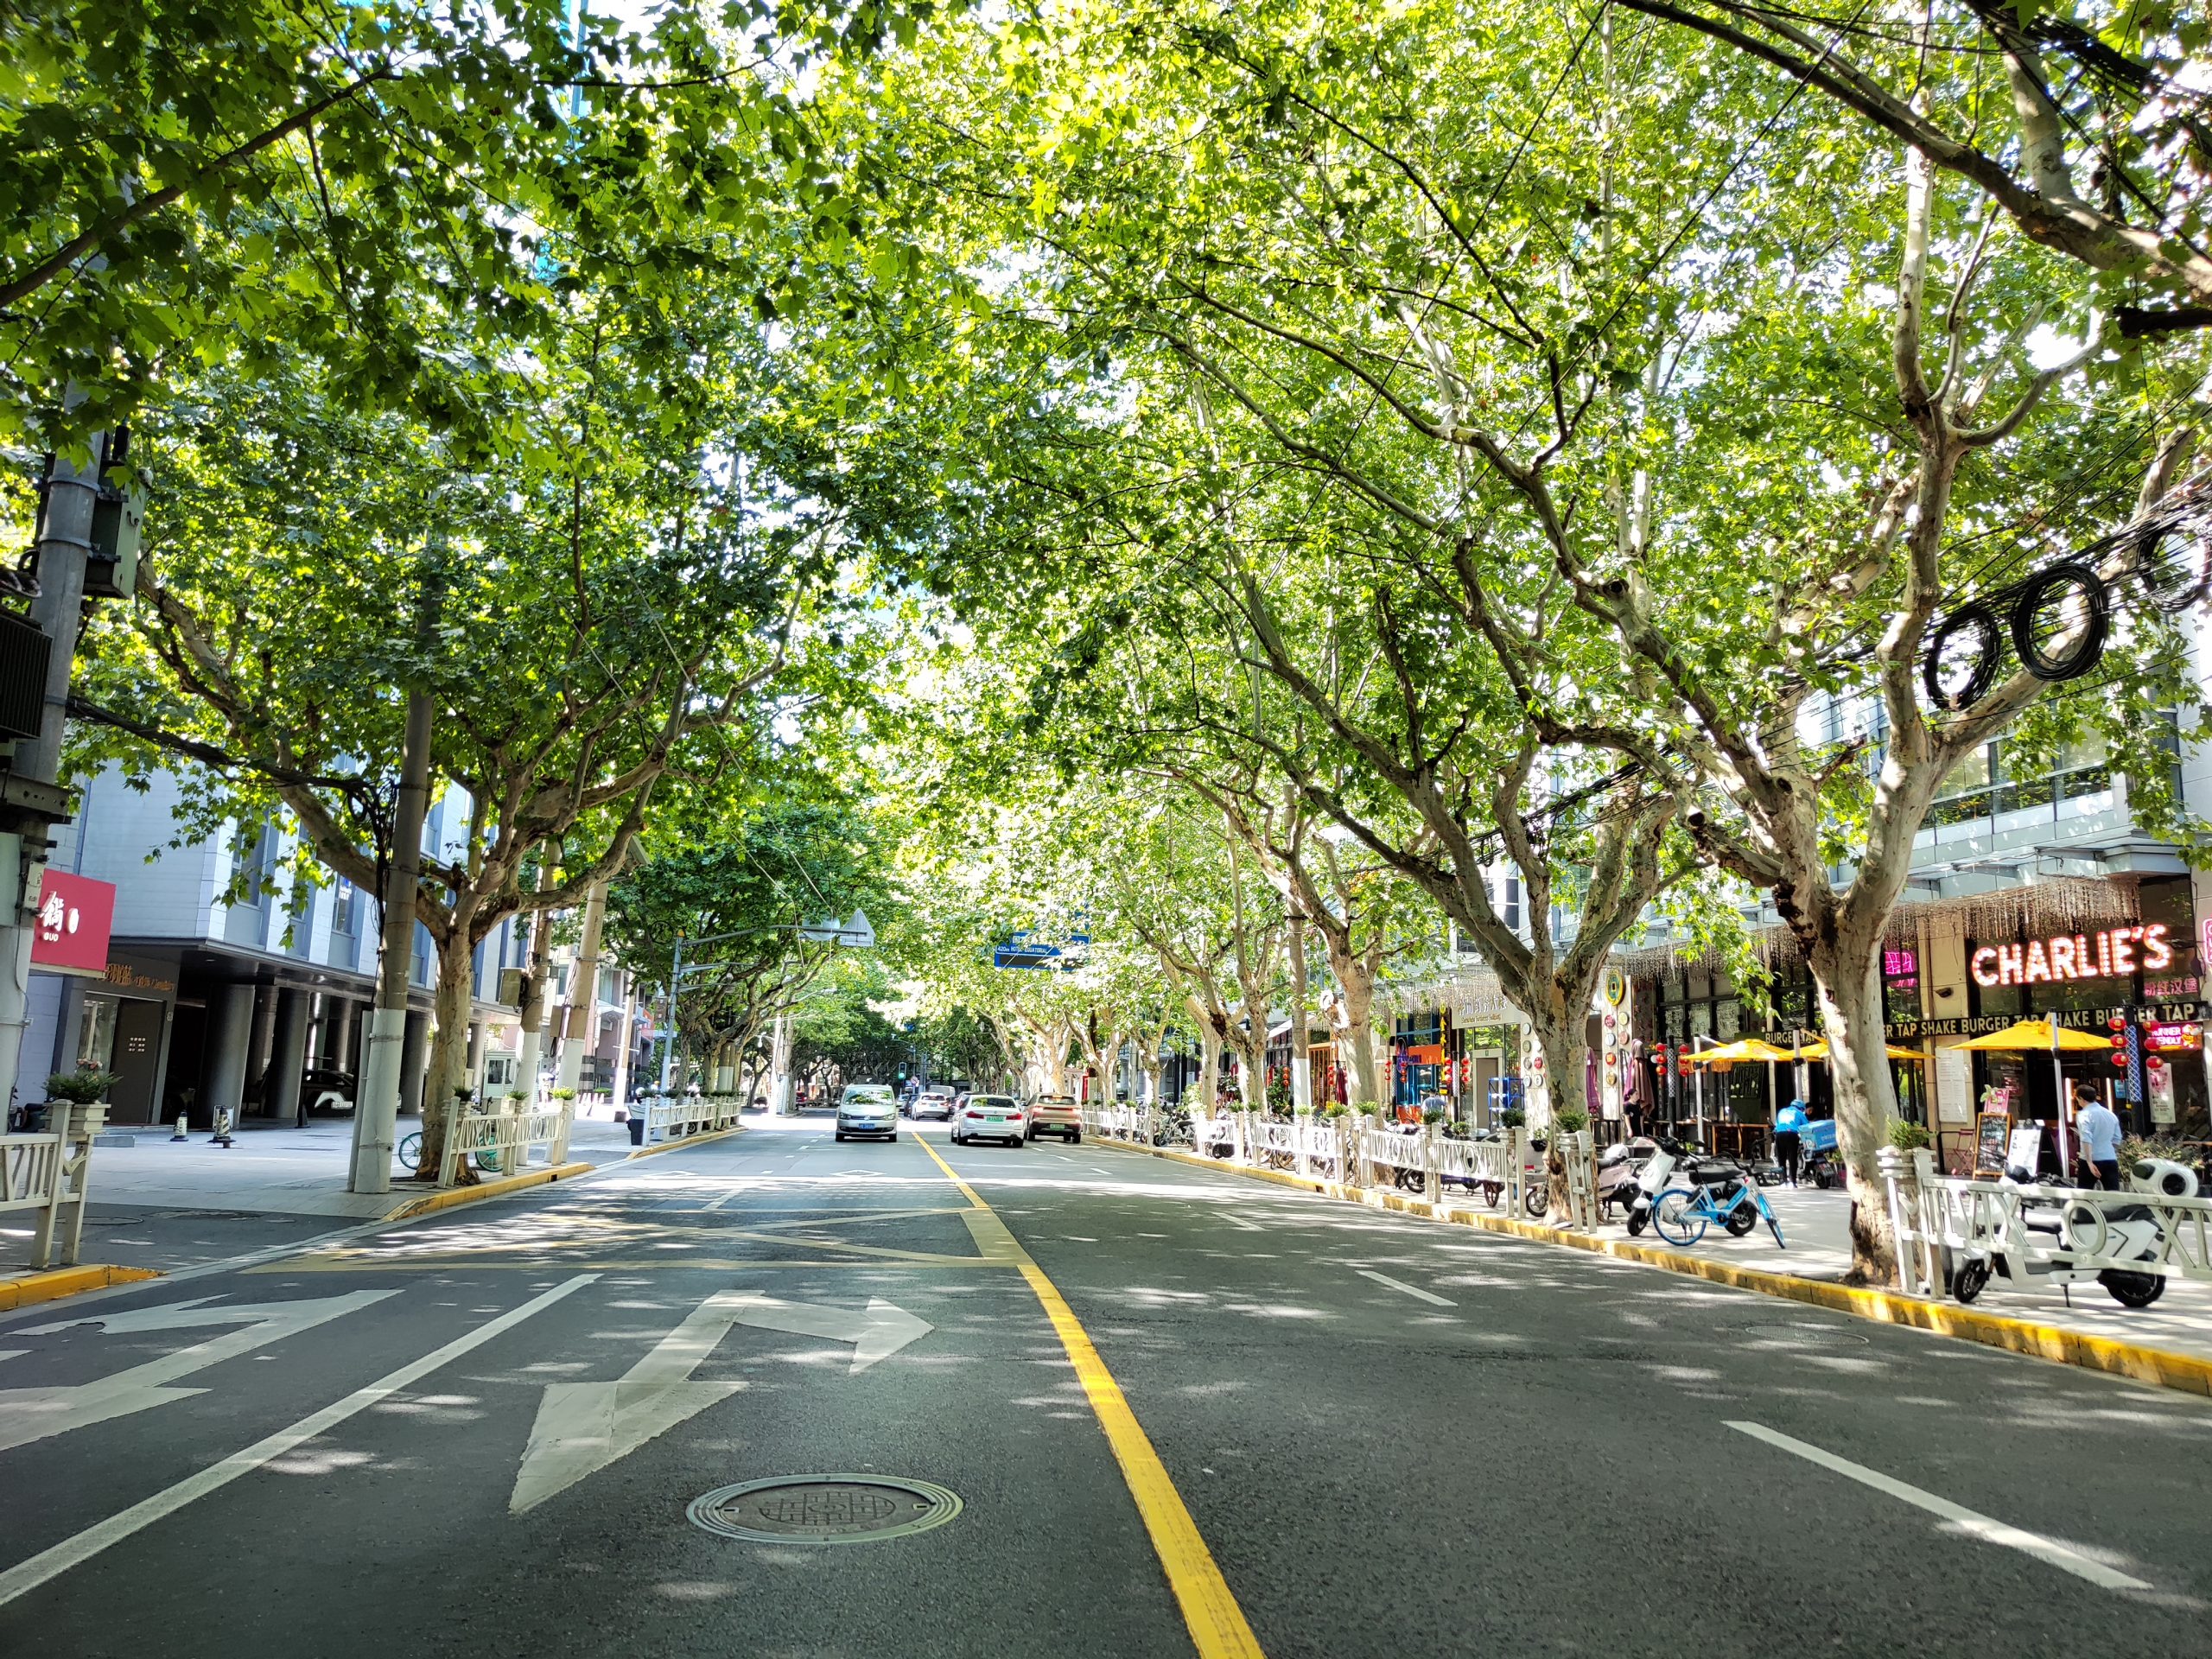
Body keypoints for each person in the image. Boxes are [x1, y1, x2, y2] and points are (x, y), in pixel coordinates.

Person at [2075, 1085, 2124, 1191]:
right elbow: (2117, 1139)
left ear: (2081, 1098)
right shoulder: (2110, 1114)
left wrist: (2089, 1162)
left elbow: (2086, 1138)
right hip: (2110, 1158)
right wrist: (2108, 1151)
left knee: (2084, 1196)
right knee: (2113, 1195)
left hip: (2090, 1160)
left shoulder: (2083, 1115)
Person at [1773, 1096, 1808, 1186]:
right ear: (1801, 1108)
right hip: (1791, 1134)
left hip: (1779, 1134)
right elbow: (1807, 1126)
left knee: (1781, 1159)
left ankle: (1782, 1181)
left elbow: (1777, 1124)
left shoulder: (1782, 1111)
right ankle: (1792, 1182)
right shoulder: (1799, 1113)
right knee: (1792, 1158)